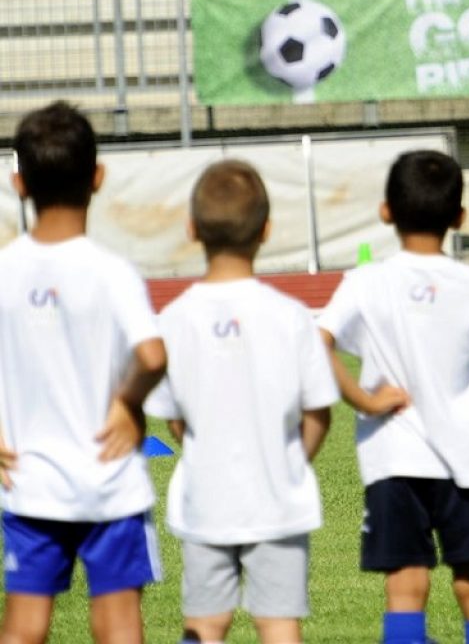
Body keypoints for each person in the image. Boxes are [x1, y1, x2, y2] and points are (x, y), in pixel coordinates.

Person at [318, 150, 469, 644]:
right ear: (459, 217)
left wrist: (361, 400)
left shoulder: (365, 281)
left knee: (405, 586)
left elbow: (314, 343)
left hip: (392, 458)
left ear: (386, 211)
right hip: (463, 459)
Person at [143, 159, 339, 644]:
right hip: (278, 499)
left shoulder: (173, 319)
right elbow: (318, 412)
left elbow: (173, 419)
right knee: (277, 624)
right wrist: (291, 460)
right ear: (267, 230)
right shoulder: (292, 318)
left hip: (204, 499)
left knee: (206, 624)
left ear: (191, 229)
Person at [0, 101, 167, 643]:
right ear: (98, 177)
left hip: (30, 481)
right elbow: (153, 356)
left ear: (18, 182)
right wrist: (127, 402)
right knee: (118, 628)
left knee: (24, 628)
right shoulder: (111, 272)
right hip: (109, 481)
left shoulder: (5, 271)